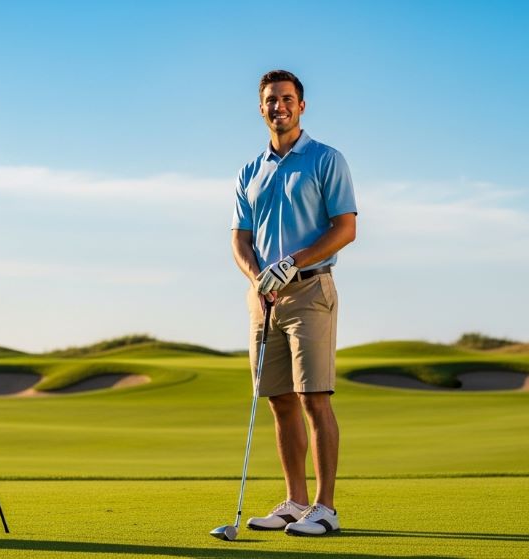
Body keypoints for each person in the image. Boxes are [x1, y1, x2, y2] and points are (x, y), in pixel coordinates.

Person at [230, 69, 357, 537]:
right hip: (263, 296)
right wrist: (256, 276)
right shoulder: (250, 169)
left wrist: (292, 262)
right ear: (260, 108)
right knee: (279, 400)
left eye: (286, 98)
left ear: (301, 106)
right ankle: (295, 501)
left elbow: (345, 228)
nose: (277, 106)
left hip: (309, 289)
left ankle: (325, 508)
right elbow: (239, 238)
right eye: (269, 100)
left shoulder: (326, 160)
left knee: (313, 397)